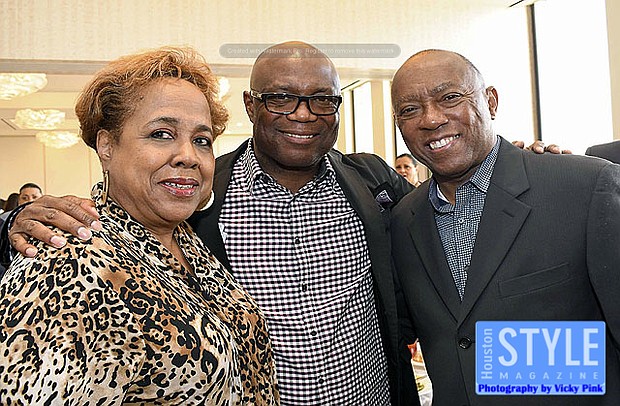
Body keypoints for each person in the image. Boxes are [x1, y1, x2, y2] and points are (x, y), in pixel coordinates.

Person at [1, 41, 559, 406]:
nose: (302, 115)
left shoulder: (374, 184)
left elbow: (456, 221)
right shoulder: (199, 199)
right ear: (251, 105)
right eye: (281, 99)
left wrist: (525, 170)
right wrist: (14, 220)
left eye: (321, 100)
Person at [0, 46, 278, 405]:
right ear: (106, 146)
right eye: (161, 134)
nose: (189, 156)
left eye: (201, 140)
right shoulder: (69, 265)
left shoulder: (186, 241)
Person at [390, 49, 620, 405]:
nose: (431, 119)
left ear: (491, 102)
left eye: (449, 97)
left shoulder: (583, 188)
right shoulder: (403, 220)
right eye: (409, 110)